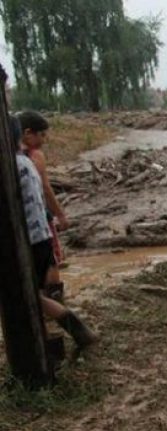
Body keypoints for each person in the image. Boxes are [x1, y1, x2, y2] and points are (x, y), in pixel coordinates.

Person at [10, 115, 98, 356]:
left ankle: (75, 331)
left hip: (29, 239)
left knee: (26, 296)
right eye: (43, 135)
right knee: (33, 291)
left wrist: (60, 215)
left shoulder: (14, 165)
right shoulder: (26, 161)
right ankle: (64, 330)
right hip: (40, 235)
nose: (45, 140)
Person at [18, 111, 67, 303]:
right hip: (38, 221)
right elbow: (46, 189)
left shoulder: (12, 156)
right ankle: (54, 304)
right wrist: (60, 215)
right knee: (51, 261)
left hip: (20, 223)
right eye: (42, 135)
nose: (44, 140)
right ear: (28, 133)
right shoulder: (34, 156)